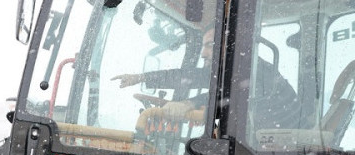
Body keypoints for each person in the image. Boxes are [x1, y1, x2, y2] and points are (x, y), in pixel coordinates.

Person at [113, 27, 300, 129]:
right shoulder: (234, 67)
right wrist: (141, 77)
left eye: (210, 45)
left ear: (231, 44)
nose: (203, 54)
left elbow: (232, 97)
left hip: (280, 146)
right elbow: (190, 77)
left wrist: (189, 104)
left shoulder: (255, 70)